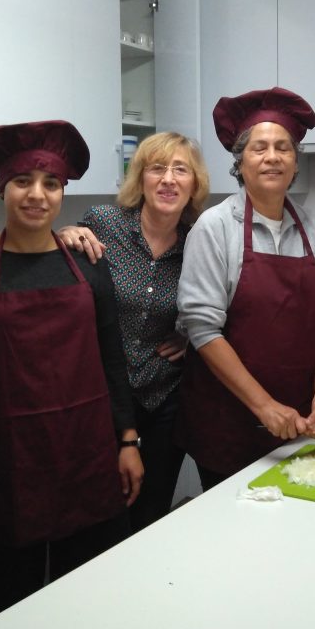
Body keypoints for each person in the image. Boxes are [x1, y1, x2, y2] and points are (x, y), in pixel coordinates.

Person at [0, 120, 140, 614]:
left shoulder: (88, 263)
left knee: (85, 594)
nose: (37, 194)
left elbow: (111, 354)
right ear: (1, 188)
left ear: (62, 192)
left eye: (50, 183)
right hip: (7, 466)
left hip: (87, 456)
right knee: (16, 597)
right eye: (22, 181)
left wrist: (129, 441)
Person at [176, 87, 315, 488]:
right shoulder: (215, 227)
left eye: (283, 148)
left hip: (298, 419)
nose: (272, 157)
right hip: (227, 421)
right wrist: (264, 406)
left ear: (295, 162)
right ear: (240, 162)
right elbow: (203, 329)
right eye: (259, 147)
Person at [56, 132, 210, 531]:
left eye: (181, 170)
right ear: (140, 177)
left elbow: (219, 303)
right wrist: (63, 235)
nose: (168, 179)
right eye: (157, 168)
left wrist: (189, 336)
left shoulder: (199, 242)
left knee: (151, 515)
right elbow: (62, 278)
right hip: (102, 397)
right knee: (99, 516)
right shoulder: (103, 223)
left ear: (194, 183)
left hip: (163, 398)